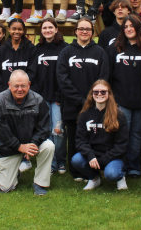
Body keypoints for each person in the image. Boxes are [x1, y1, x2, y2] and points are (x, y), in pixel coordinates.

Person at [57, 18, 110, 180]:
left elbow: (104, 77)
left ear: (92, 32)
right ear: (76, 31)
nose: (84, 32)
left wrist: (93, 100)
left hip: (95, 105)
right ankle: (76, 171)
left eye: (87, 29)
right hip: (72, 105)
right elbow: (62, 79)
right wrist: (80, 100)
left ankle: (94, 169)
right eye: (81, 29)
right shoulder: (66, 51)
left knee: (93, 137)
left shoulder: (100, 52)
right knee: (74, 138)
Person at [0, 70, 54, 195]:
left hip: (31, 143)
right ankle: (15, 173)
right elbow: (0, 131)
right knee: (5, 188)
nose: (20, 89)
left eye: (23, 85)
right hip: (8, 147)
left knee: (48, 146)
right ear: (9, 85)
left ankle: (40, 183)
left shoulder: (39, 100)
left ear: (29, 85)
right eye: (16, 86)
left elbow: (44, 128)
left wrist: (33, 143)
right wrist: (19, 146)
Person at [107, 15, 141, 179]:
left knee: (136, 134)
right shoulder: (115, 48)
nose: (129, 29)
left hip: (140, 100)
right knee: (122, 133)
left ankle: (133, 166)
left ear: (138, 28)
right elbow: (108, 74)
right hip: (120, 99)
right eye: (126, 26)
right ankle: (120, 165)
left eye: (132, 26)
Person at [73, 80, 129, 190]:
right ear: (91, 94)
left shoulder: (119, 115)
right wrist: (90, 156)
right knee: (76, 160)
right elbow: (80, 140)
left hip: (113, 157)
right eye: (96, 92)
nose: (99, 94)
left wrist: (102, 160)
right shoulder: (85, 114)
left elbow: (121, 145)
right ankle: (94, 178)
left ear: (109, 94)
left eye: (103, 92)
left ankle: (121, 177)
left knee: (112, 174)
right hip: (93, 155)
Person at [34, 18, 69, 173]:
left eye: (50, 27)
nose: (47, 30)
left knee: (58, 131)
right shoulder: (37, 49)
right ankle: (51, 163)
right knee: (45, 131)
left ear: (56, 29)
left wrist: (61, 95)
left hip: (58, 98)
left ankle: (61, 161)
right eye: (44, 28)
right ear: (41, 31)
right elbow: (33, 74)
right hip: (42, 98)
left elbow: (67, 74)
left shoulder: (64, 49)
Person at [0, 18, 38, 93]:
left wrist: (23, 88)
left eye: (19, 29)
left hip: (25, 92)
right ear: (9, 29)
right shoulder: (1, 50)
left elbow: (33, 72)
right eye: (14, 29)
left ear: (23, 31)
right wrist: (4, 90)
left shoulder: (31, 49)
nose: (17, 32)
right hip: (5, 92)